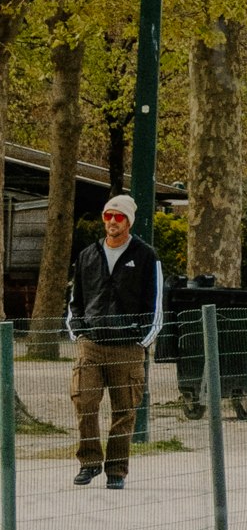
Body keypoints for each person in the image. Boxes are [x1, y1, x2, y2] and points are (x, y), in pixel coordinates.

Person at [68, 193, 161, 483]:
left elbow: (156, 304)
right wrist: (79, 333)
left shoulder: (146, 256)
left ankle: (116, 470)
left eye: (118, 217)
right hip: (92, 345)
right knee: (84, 402)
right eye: (108, 216)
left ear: (128, 222)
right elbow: (75, 300)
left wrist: (141, 340)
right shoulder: (87, 255)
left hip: (128, 348)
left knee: (124, 411)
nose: (112, 221)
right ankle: (89, 462)